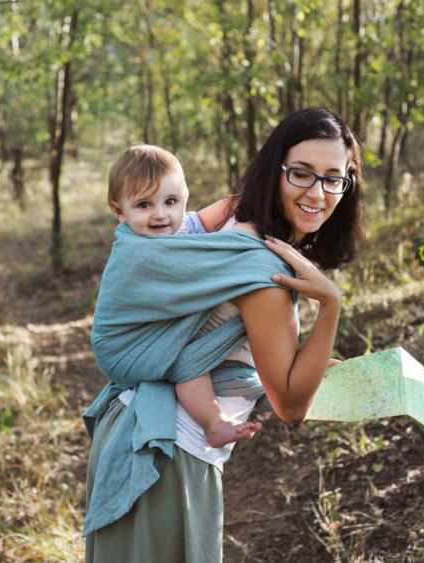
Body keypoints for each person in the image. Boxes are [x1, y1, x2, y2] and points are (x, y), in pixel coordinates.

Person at [84, 108, 365, 563]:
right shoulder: (265, 269)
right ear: (275, 170)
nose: (317, 192)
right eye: (301, 173)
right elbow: (291, 405)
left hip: (138, 436)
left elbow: (244, 352)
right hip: (167, 458)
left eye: (334, 178)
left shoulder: (234, 230)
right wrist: (330, 304)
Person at [104, 144, 262, 448]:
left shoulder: (181, 228)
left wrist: (252, 201)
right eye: (144, 205)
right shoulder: (138, 251)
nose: (160, 214)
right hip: (133, 345)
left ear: (184, 199)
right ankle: (213, 423)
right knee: (188, 367)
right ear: (119, 210)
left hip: (168, 329)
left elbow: (218, 211)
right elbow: (207, 268)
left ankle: (291, 364)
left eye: (171, 201)